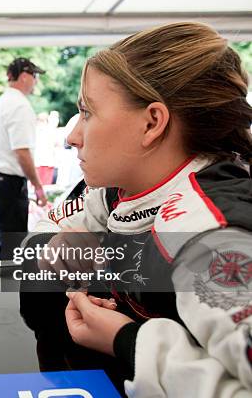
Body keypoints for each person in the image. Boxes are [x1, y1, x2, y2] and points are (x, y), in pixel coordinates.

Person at [23, 22, 252, 397]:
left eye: (88, 112)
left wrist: (127, 339)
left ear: (152, 123)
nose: (71, 136)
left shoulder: (208, 236)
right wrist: (62, 243)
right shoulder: (115, 188)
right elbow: (47, 238)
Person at [0, 57, 48, 260]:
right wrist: (38, 186)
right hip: (8, 181)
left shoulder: (0, 103)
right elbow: (22, 151)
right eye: (34, 75)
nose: (36, 81)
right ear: (24, 76)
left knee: (4, 241)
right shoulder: (19, 105)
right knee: (11, 247)